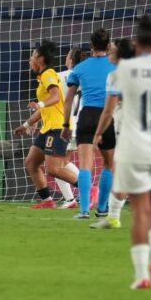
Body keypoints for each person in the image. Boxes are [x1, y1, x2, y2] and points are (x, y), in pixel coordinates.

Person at [93, 16, 151, 290]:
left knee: (141, 208)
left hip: (134, 146)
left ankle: (143, 275)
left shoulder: (123, 72)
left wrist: (98, 133)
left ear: (136, 44)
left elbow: (110, 108)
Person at [14, 40, 79, 208]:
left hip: (57, 127)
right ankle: (47, 201)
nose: (30, 59)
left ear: (40, 58)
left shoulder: (49, 73)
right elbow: (45, 108)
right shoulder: (43, 77)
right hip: (47, 127)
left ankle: (90, 190)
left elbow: (56, 96)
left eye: (33, 55)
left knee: (54, 169)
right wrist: (27, 124)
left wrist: (40, 104)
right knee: (31, 162)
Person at [61, 29, 117, 220]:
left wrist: (65, 125)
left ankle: (84, 210)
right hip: (106, 116)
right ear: (108, 45)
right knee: (109, 165)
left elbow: (68, 100)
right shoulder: (115, 67)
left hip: (86, 116)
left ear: (91, 46)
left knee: (85, 165)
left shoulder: (80, 68)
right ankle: (102, 208)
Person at [90, 38, 135, 230]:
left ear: (120, 54)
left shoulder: (116, 75)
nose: (109, 53)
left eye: (112, 50)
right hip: (150, 129)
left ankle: (113, 217)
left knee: (122, 174)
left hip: (129, 129)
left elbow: (108, 111)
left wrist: (98, 133)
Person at [55, 48, 86, 209]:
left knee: (55, 165)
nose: (65, 59)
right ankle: (71, 200)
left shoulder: (60, 77)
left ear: (71, 61)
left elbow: (54, 99)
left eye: (67, 56)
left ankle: (85, 191)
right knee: (61, 162)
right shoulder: (87, 77)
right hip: (81, 124)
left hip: (65, 125)